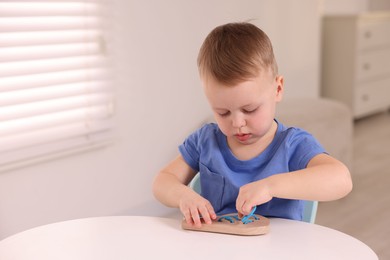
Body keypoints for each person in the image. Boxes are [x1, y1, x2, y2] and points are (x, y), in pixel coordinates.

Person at [152, 22, 352, 228]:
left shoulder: (293, 144)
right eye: (223, 112)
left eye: (250, 110)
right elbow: (163, 180)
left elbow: (341, 179)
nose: (238, 123)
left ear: (278, 89)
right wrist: (183, 196)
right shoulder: (205, 141)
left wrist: (271, 186)